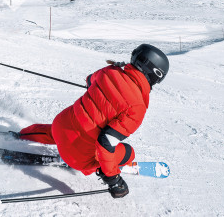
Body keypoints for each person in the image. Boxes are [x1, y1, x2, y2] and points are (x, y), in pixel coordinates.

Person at [17, 44, 169, 198]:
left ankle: (21, 135)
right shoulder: (137, 107)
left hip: (60, 125)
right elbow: (106, 143)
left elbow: (89, 80)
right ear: (156, 75)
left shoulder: (110, 70)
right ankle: (103, 167)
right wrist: (113, 180)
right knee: (129, 153)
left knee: (63, 128)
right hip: (78, 157)